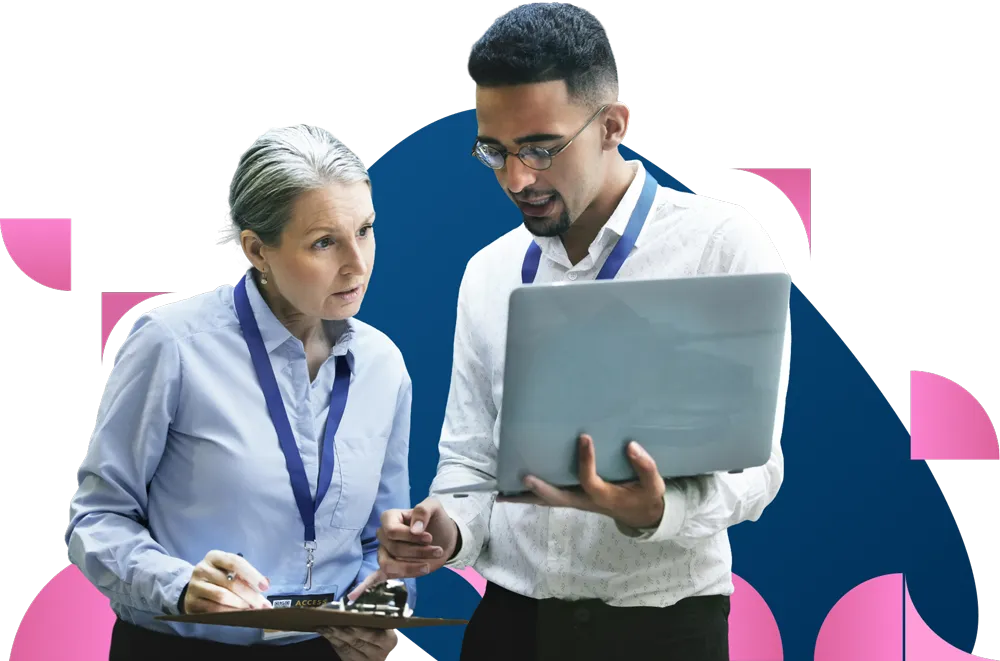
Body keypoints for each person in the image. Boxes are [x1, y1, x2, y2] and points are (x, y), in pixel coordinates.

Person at [349, 5, 793, 661]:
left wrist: (657, 509)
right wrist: (444, 530)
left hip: (664, 628)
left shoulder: (723, 246)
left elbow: (759, 467)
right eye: (494, 151)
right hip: (509, 627)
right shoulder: (488, 272)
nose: (516, 179)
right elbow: (470, 464)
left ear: (615, 124)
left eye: (539, 148)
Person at [66, 123, 413, 661]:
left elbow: (385, 542)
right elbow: (95, 517)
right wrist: (177, 586)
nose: (358, 263)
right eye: (325, 242)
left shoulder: (384, 365)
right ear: (257, 250)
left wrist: (382, 612)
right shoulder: (172, 344)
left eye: (365, 230)